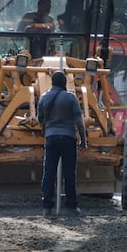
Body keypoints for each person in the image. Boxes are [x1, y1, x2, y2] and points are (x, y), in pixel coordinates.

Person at [37, 71, 87, 217]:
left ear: (52, 82)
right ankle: (71, 206)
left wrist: (48, 129)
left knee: (49, 172)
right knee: (69, 173)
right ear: (65, 83)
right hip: (68, 138)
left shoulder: (44, 97)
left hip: (51, 138)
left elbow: (40, 119)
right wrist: (83, 140)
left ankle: (47, 207)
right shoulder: (70, 98)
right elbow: (79, 121)